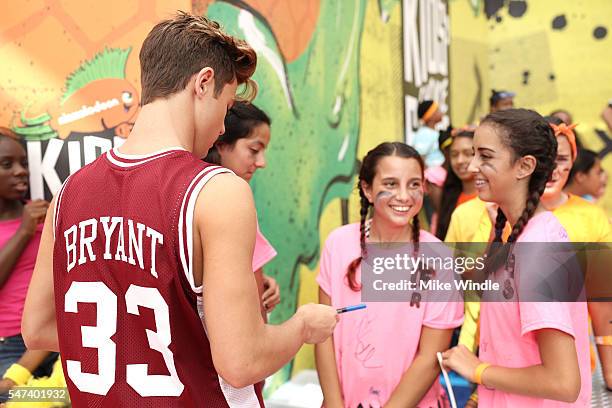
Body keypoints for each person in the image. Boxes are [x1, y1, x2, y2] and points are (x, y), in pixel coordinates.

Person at [21, 12, 338, 407]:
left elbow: (37, 329)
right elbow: (241, 361)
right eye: (224, 107)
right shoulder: (215, 191)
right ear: (204, 83)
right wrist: (304, 325)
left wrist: (144, 339)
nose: (222, 127)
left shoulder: (68, 194)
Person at [442, 109, 590, 406]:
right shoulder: (516, 234)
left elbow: (563, 382)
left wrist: (478, 369)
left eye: (485, 156)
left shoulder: (537, 249)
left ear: (524, 166)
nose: (471, 166)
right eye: (473, 154)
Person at [315, 142, 463, 407]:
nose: (404, 196)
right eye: (391, 184)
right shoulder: (338, 244)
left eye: (414, 184)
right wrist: (334, 403)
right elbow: (323, 334)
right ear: (367, 189)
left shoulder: (439, 258)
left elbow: (431, 357)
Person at [204, 101, 280, 316]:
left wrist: (257, 280)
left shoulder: (191, 192)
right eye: (254, 150)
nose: (262, 162)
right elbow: (255, 312)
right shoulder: (235, 199)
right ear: (221, 144)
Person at [0, 127, 54, 402]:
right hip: (8, 346)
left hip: (51, 339)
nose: (21, 171)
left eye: (23, 162)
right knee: (11, 399)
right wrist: (24, 231)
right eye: (6, 165)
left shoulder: (42, 212)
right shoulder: (29, 222)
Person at [435, 127, 476, 240]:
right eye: (454, 155)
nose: (460, 161)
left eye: (468, 154)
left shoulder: (491, 201)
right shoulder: (448, 197)